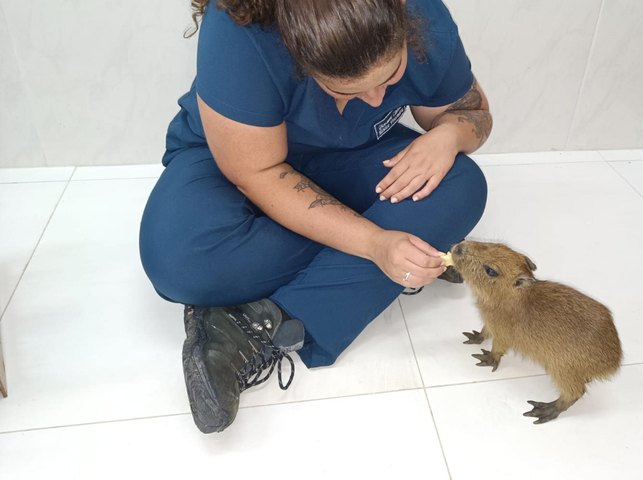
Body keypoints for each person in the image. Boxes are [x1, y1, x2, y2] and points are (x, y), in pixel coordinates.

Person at [139, 0, 491, 434]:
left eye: (391, 75)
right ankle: (381, 259)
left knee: (462, 185)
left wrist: (449, 136)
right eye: (347, 90)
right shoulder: (238, 31)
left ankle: (255, 326)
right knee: (180, 260)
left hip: (351, 159)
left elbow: (471, 110)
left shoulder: (422, 13)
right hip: (238, 164)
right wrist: (373, 243)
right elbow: (258, 173)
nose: (378, 99)